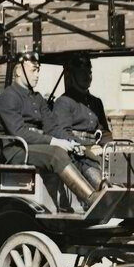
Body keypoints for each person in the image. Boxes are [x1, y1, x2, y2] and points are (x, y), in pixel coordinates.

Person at [0, 50, 98, 205]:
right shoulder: (8, 97)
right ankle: (90, 198)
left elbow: (53, 127)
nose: (37, 75)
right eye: (33, 70)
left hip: (36, 147)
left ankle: (102, 190)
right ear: (18, 71)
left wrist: (73, 143)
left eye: (38, 71)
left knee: (81, 153)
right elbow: (19, 132)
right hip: (16, 150)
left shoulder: (37, 98)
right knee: (56, 152)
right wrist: (54, 142)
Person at [51, 55, 110, 184]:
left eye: (89, 72)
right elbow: (63, 134)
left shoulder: (96, 102)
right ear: (73, 75)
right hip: (77, 156)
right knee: (101, 184)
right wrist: (87, 148)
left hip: (97, 153)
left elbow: (104, 132)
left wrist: (109, 147)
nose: (87, 76)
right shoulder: (63, 102)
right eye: (82, 72)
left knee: (124, 174)